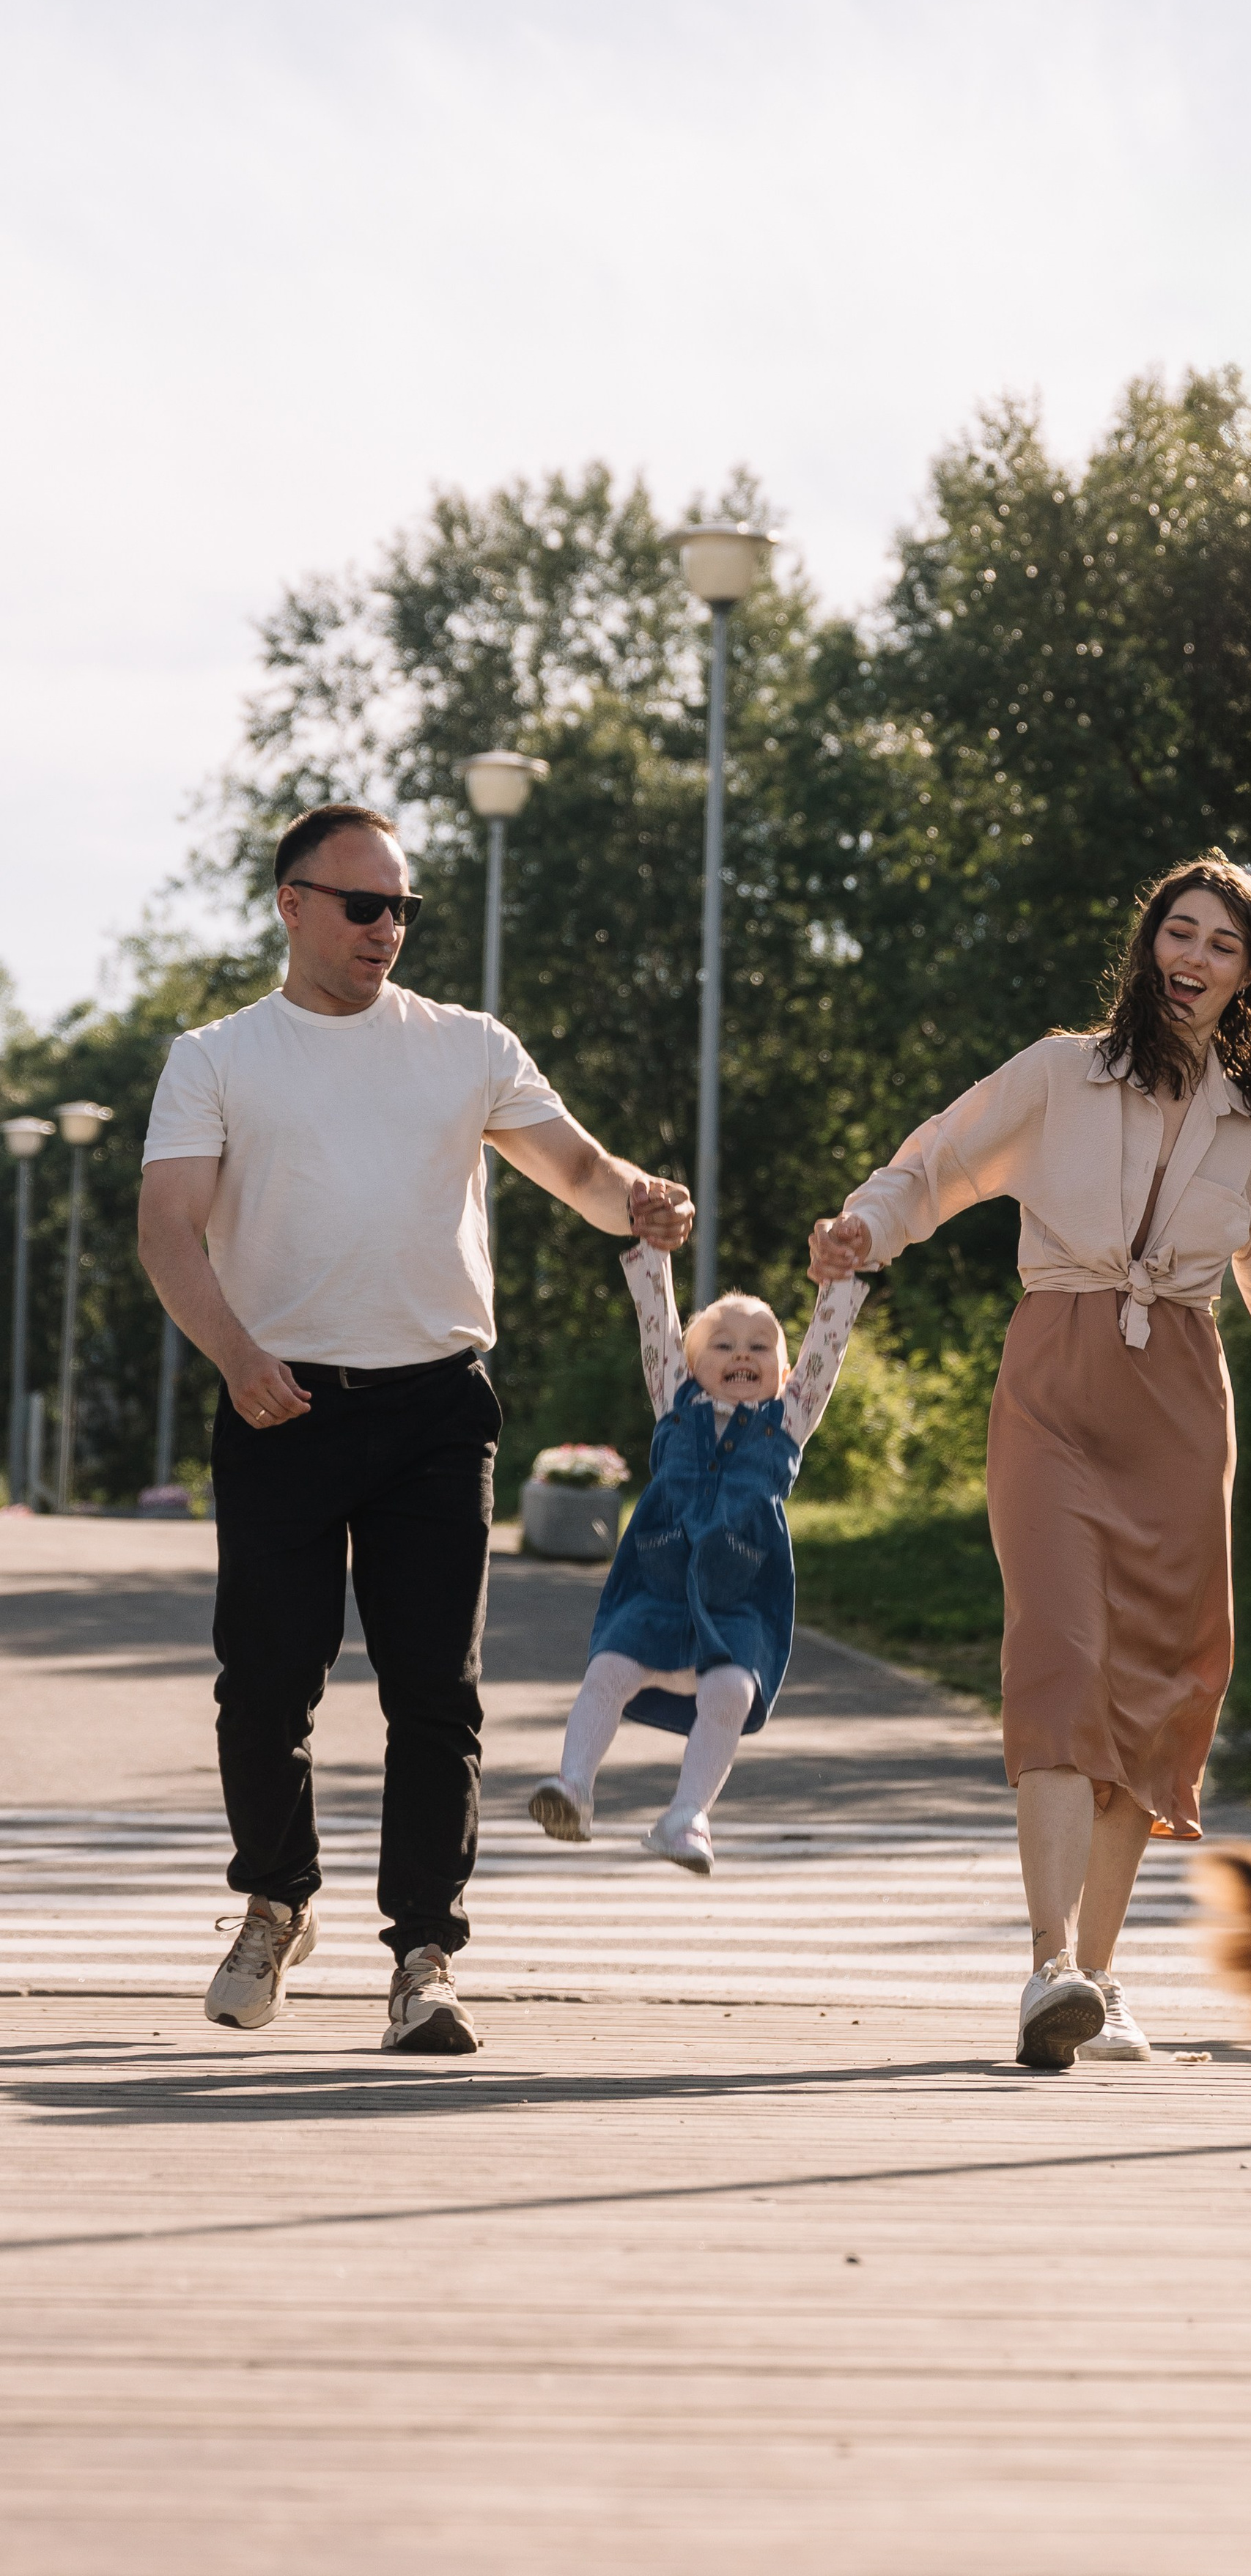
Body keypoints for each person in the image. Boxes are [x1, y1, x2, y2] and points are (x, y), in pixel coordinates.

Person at [810, 851, 1251, 2073]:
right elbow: (934, 1165)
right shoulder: (1060, 1075)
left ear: (1248, 975)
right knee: (1058, 1654)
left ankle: (1098, 1984)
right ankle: (1049, 1965)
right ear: (1147, 947)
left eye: (1222, 943)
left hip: (1178, 1403)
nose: (1194, 958)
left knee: (1160, 1681)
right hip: (1055, 1378)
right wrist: (867, 1228)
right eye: (1179, 932)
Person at [138, 801, 693, 2055]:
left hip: (438, 1407)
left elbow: (586, 1173)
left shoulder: (466, 1046)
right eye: (362, 906)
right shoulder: (219, 1057)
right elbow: (169, 1229)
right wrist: (237, 1360)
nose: (388, 929)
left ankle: (425, 1956)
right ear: (292, 905)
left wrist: (642, 1204)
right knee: (267, 1683)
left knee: (435, 1692)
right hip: (278, 1404)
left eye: (403, 909)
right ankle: (276, 1903)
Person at [528, 1240, 866, 1872]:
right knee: (609, 1671)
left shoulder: (788, 1418)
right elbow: (654, 1315)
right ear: (687, 1364)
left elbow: (827, 1347)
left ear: (785, 1374)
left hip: (739, 1594)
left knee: (732, 1689)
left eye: (761, 1346)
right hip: (657, 1582)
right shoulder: (673, 1402)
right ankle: (573, 1788)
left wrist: (839, 1286)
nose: (742, 1353)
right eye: (724, 1344)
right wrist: (652, 1251)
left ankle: (686, 1818)